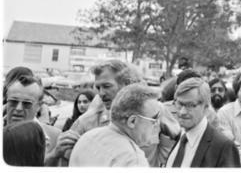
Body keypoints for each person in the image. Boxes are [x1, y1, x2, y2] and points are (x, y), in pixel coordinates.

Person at [47, 60, 180, 167]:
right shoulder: (87, 120)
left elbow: (175, 149)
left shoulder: (154, 111)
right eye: (98, 87)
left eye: (107, 86)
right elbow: (66, 161)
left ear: (128, 84)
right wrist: (56, 153)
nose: (101, 93)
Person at [69, 84, 161, 166]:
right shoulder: (133, 160)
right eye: (154, 119)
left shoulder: (87, 137)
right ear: (132, 121)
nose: (156, 124)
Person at [165, 78, 240, 167]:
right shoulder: (181, 136)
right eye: (180, 104)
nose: (182, 112)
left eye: (190, 105)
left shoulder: (224, 147)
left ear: (206, 108)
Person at [4, 74, 61, 164]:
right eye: (13, 101)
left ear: (39, 106)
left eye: (27, 103)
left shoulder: (55, 138)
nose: (18, 108)